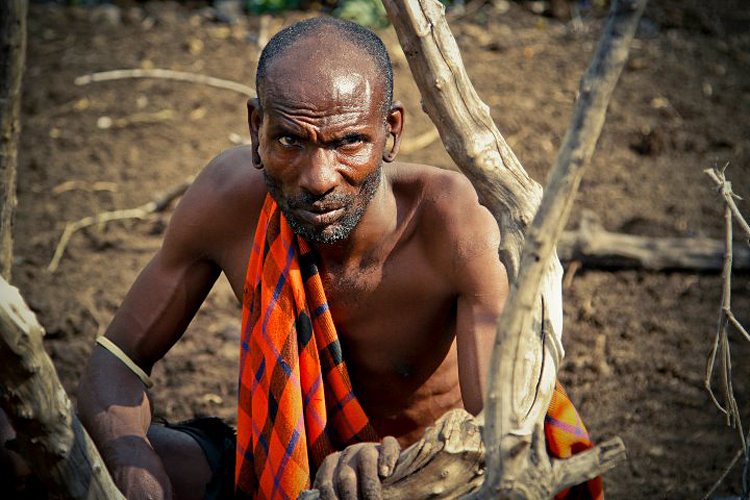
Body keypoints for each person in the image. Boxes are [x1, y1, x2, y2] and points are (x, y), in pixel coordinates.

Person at [76, 16, 598, 500]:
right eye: (289, 141)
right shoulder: (228, 201)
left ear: (390, 132)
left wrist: (388, 466)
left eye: (349, 142)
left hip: (433, 481)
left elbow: (501, 442)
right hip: (285, 468)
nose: (319, 178)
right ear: (256, 129)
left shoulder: (456, 228)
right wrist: (127, 464)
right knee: (54, 452)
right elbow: (116, 359)